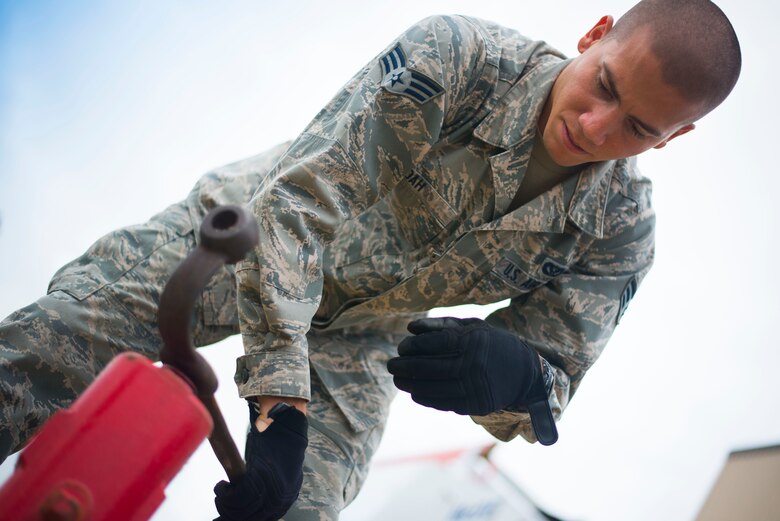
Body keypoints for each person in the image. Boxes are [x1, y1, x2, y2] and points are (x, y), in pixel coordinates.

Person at [0, 0, 741, 519]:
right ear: (595, 34)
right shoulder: (459, 60)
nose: (594, 125)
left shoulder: (620, 230)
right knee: (54, 346)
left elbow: (555, 375)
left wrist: (516, 375)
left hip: (366, 333)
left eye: (637, 127)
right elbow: (302, 207)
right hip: (248, 235)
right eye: (603, 85)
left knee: (303, 506)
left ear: (671, 139)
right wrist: (279, 404)